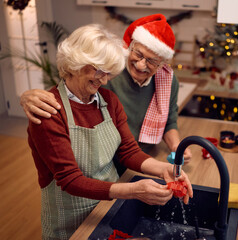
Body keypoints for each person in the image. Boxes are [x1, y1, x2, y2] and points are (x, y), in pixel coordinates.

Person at [27, 24, 193, 240]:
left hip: (109, 208)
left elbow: (129, 152)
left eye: (108, 73)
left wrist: (164, 169)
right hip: (71, 221)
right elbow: (70, 180)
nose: (104, 80)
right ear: (76, 63)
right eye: (98, 70)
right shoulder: (49, 110)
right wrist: (134, 190)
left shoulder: (108, 100)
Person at [20, 14, 192, 163]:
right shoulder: (108, 71)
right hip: (107, 158)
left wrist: (177, 146)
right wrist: (27, 96)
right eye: (138, 54)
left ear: (162, 64)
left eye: (152, 61)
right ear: (130, 46)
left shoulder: (167, 80)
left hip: (140, 156)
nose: (140, 65)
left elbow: (170, 120)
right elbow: (70, 89)